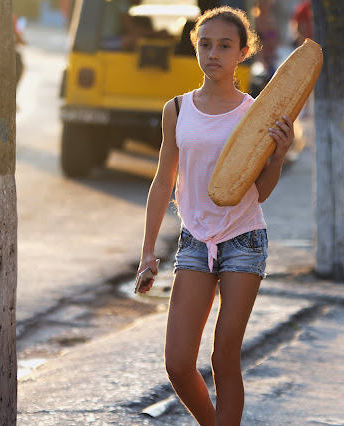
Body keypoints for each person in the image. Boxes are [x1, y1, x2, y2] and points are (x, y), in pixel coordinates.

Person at [136, 6, 294, 425]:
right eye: (205, 45)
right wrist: (148, 252)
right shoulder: (177, 109)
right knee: (177, 363)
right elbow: (161, 183)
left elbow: (259, 191)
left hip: (243, 240)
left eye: (225, 46)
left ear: (243, 52)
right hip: (194, 241)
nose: (213, 54)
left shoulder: (256, 114)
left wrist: (279, 155)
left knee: (224, 357)